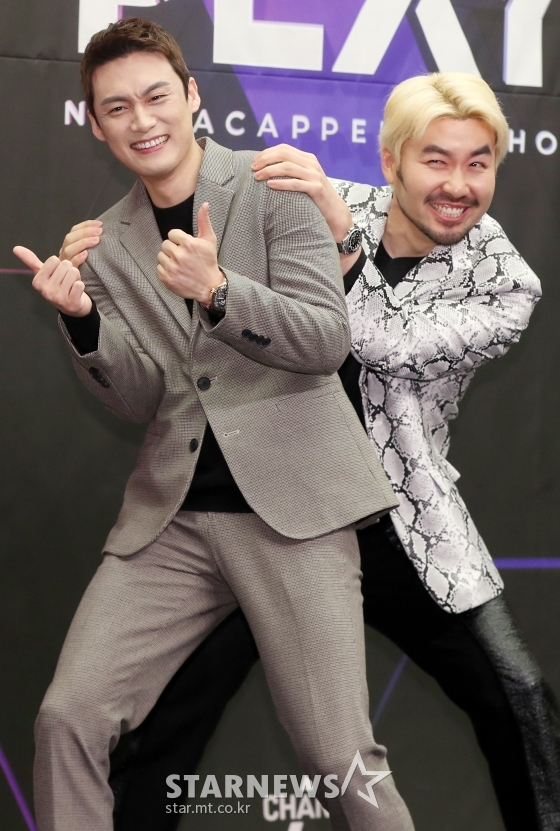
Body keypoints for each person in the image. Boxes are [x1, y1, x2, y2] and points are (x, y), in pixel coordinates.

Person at [58, 73, 560, 831]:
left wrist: (344, 245)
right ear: (392, 161)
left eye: (478, 163)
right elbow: (192, 273)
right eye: (436, 159)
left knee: (515, 693)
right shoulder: (308, 197)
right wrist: (102, 259)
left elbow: (381, 343)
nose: (456, 185)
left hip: (402, 518)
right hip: (270, 504)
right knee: (166, 721)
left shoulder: (504, 277)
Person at [13, 18, 416, 831]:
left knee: (339, 755)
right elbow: (141, 395)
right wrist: (84, 320)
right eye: (117, 107)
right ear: (96, 126)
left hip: (295, 512)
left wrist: (221, 290)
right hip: (172, 523)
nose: (142, 119)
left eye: (156, 95)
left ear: (192, 95)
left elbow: (325, 339)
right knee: (67, 718)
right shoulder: (107, 242)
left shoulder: (273, 186)